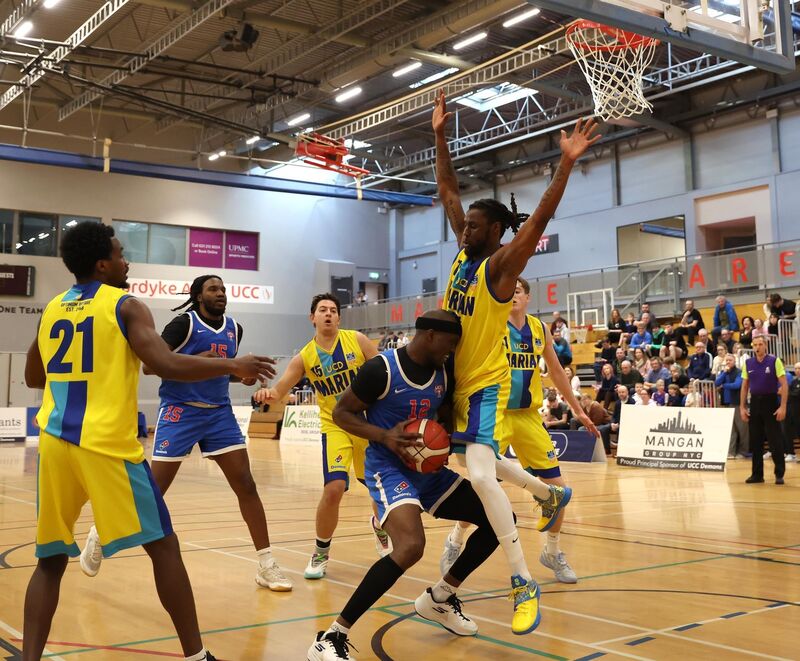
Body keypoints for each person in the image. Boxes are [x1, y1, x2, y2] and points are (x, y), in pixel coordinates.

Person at [23, 223, 274, 661]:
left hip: (53, 443)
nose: (126, 261)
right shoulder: (126, 305)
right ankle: (197, 657)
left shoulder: (53, 308)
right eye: (120, 254)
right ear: (103, 263)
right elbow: (163, 363)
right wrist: (232, 364)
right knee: (164, 546)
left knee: (49, 561)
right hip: (104, 444)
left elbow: (32, 377)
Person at [434, 88, 597, 634]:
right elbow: (448, 189)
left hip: (485, 384)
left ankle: (521, 579)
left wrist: (565, 165)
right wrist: (439, 135)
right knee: (470, 466)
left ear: (497, 233)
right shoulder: (463, 251)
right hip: (453, 385)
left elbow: (538, 220)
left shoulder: (500, 268)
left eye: (475, 226)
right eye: (464, 225)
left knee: (480, 475)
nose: (465, 228)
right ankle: (548, 491)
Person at [308, 312, 505, 660]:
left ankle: (440, 598)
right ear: (429, 335)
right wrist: (385, 436)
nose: (453, 350)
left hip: (427, 470)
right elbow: (342, 414)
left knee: (500, 521)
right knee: (411, 545)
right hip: (388, 468)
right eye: (450, 342)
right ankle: (331, 637)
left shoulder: (445, 370)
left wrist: (441, 442)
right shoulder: (381, 369)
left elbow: (442, 414)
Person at [79, 275, 292, 591]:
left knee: (246, 484)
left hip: (219, 414)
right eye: (213, 289)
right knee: (154, 490)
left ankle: (266, 564)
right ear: (197, 295)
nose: (220, 293)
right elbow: (153, 366)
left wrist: (240, 374)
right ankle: (100, 531)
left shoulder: (235, 327)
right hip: (181, 411)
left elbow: (220, 369)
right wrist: (221, 363)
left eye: (223, 289)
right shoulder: (183, 325)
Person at [443, 278, 596, 584]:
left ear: (527, 297)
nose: (511, 295)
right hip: (494, 412)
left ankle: (552, 551)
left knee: (557, 488)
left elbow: (555, 371)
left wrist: (577, 409)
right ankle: (456, 537)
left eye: (517, 291)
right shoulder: (491, 324)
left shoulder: (539, 330)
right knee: (482, 485)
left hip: (527, 416)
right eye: (507, 290)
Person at [254, 293, 387, 580]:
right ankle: (321, 551)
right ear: (312, 317)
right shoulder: (305, 356)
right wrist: (268, 393)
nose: (328, 314)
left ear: (339, 317)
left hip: (369, 424)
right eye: (322, 310)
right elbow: (279, 391)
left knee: (378, 489)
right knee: (334, 489)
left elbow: (385, 373)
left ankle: (380, 527)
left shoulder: (359, 341)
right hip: (336, 425)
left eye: (333, 310)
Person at [741, 336, 787, 484]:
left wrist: (783, 406)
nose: (757, 347)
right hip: (754, 403)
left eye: (760, 344)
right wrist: (742, 407)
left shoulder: (774, 361)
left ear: (765, 345)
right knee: (756, 440)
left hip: (771, 402)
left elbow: (784, 385)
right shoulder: (748, 363)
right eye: (755, 345)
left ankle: (779, 474)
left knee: (775, 440)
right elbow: (744, 386)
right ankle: (757, 475)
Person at [715, 353, 748, 459]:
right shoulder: (723, 372)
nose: (728, 362)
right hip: (727, 404)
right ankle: (731, 452)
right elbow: (716, 382)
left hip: (738, 403)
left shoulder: (739, 372)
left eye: (730, 360)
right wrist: (724, 374)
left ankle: (743, 452)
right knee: (731, 430)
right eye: (727, 360)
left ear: (735, 361)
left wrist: (724, 385)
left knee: (742, 429)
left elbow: (737, 385)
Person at [609, 385, 635, 454]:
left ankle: (619, 445)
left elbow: (631, 417)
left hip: (628, 424)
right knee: (603, 429)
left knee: (621, 428)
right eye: (619, 392)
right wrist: (612, 423)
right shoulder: (617, 403)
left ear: (627, 392)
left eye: (623, 392)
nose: (621, 394)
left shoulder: (632, 402)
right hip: (617, 423)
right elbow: (614, 416)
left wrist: (620, 424)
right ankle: (608, 451)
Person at [785, 362, 800, 462]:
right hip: (791, 410)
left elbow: (794, 394)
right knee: (788, 431)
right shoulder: (794, 381)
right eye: (795, 368)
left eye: (799, 368)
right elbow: (788, 393)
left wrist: (787, 393)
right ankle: (790, 453)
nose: (797, 370)